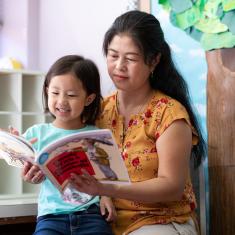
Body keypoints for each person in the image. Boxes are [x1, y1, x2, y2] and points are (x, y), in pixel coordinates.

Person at [68, 11, 206, 235]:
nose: (119, 66)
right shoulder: (99, 110)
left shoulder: (169, 114)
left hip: (161, 221)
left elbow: (172, 187)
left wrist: (107, 188)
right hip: (105, 223)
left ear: (154, 60)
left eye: (130, 59)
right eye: (113, 56)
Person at [19, 55, 115, 235]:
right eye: (55, 93)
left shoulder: (95, 134)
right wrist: (26, 173)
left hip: (90, 215)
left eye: (71, 95)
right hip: (51, 217)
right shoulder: (36, 133)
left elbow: (107, 174)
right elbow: (22, 164)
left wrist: (106, 197)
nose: (61, 101)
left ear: (88, 99)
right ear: (47, 91)